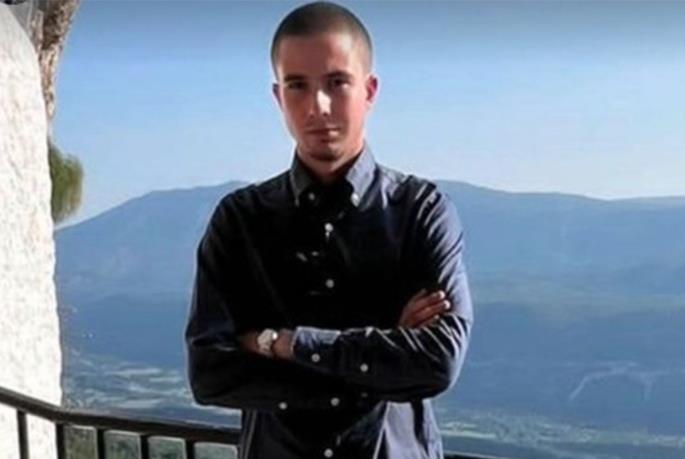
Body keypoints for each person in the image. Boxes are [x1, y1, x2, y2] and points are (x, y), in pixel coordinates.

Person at [184, 2, 473, 458]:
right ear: (278, 96)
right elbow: (210, 374)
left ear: (369, 91)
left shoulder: (421, 212)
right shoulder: (241, 222)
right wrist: (381, 358)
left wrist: (281, 343)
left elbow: (437, 362)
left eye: (337, 82)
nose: (318, 106)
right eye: (298, 85)